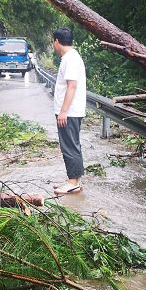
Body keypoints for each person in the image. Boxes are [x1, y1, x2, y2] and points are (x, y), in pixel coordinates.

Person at [52, 27, 86, 194]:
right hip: (71, 111)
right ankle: (75, 181)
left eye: (53, 42)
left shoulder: (70, 59)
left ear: (57, 41)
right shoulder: (71, 57)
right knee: (72, 145)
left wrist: (63, 111)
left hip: (69, 112)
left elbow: (71, 86)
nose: (53, 45)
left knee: (69, 146)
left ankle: (72, 182)